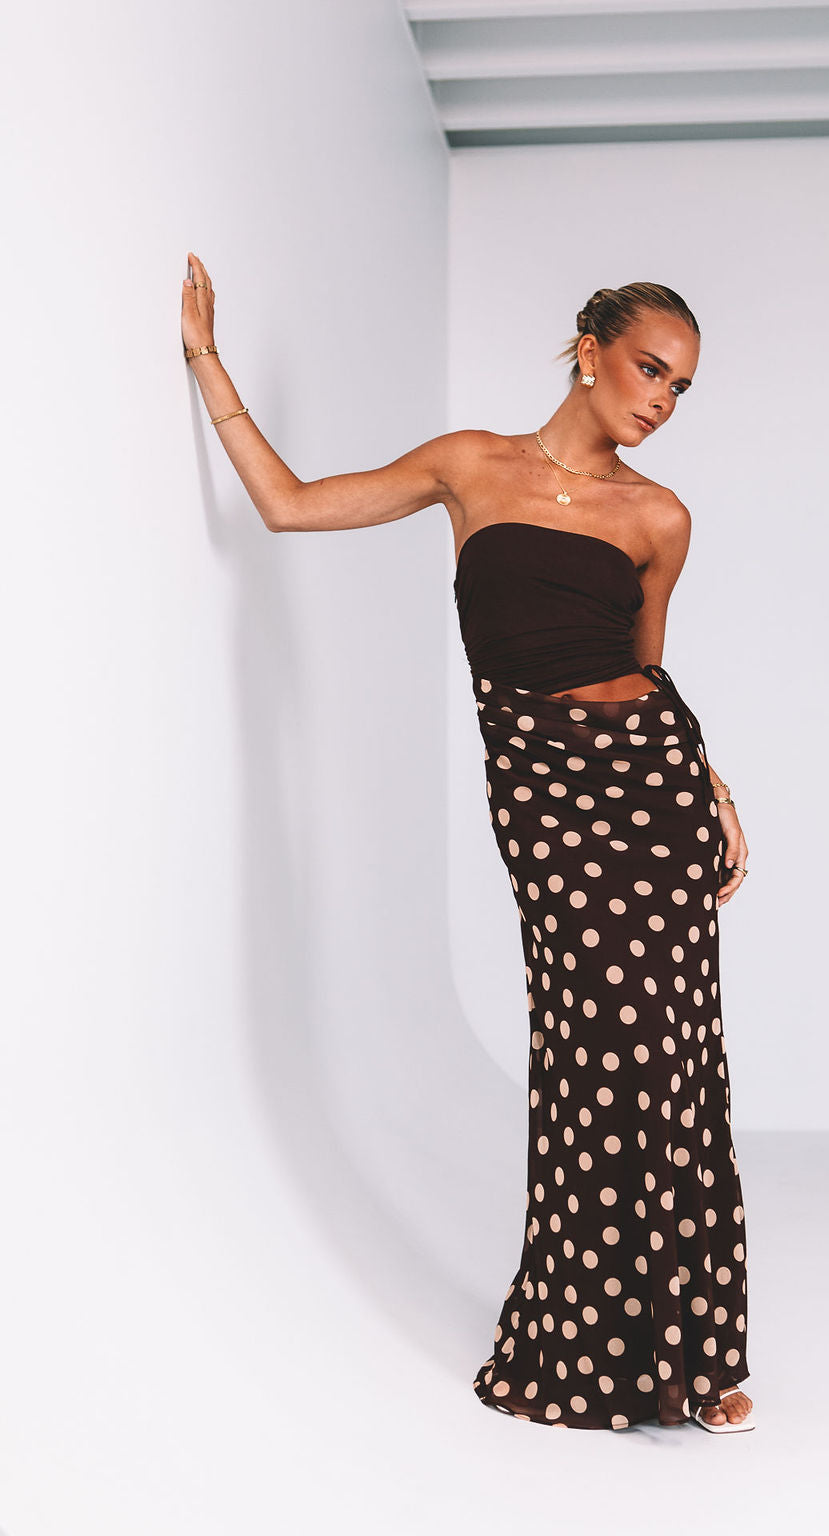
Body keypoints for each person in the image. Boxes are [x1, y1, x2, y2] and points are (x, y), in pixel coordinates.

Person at [181, 254, 755, 1434]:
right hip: (542, 795)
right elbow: (290, 505)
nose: (661, 399)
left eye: (681, 387)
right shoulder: (469, 466)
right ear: (589, 352)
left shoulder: (660, 518)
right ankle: (588, 1345)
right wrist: (206, 361)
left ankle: (696, 1350)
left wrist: (710, 782)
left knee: (672, 1051)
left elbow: (646, 670)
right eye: (650, 369)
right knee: (594, 1052)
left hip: (652, 792)